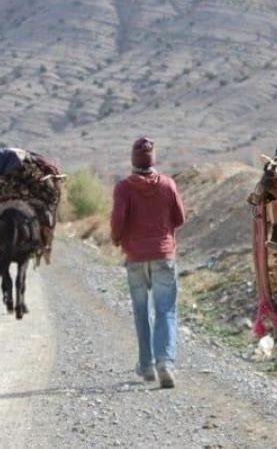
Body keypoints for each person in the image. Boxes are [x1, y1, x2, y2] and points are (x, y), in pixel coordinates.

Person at [110, 137, 185, 388]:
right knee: (165, 310)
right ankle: (165, 361)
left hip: (135, 257)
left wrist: (117, 239)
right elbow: (180, 218)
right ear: (153, 161)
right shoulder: (168, 184)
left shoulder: (123, 188)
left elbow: (118, 222)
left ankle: (146, 366)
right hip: (164, 256)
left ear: (133, 162)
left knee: (141, 312)